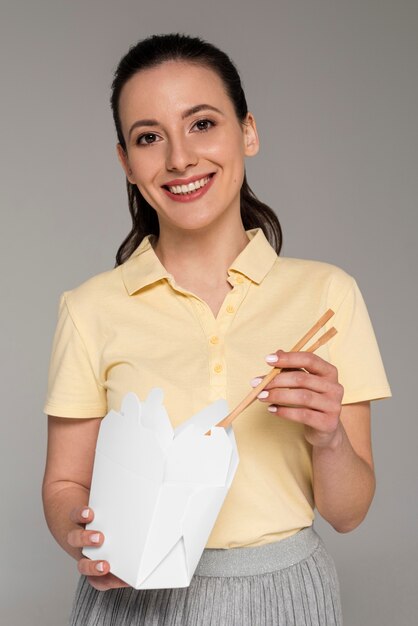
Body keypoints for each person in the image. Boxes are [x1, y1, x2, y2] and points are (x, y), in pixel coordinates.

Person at [42, 33, 391, 626]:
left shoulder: (328, 294)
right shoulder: (90, 308)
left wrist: (329, 437)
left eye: (202, 124)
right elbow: (65, 484)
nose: (179, 158)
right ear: (127, 163)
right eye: (149, 137)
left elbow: (348, 513)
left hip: (286, 596)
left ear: (247, 132)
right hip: (136, 598)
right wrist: (88, 539)